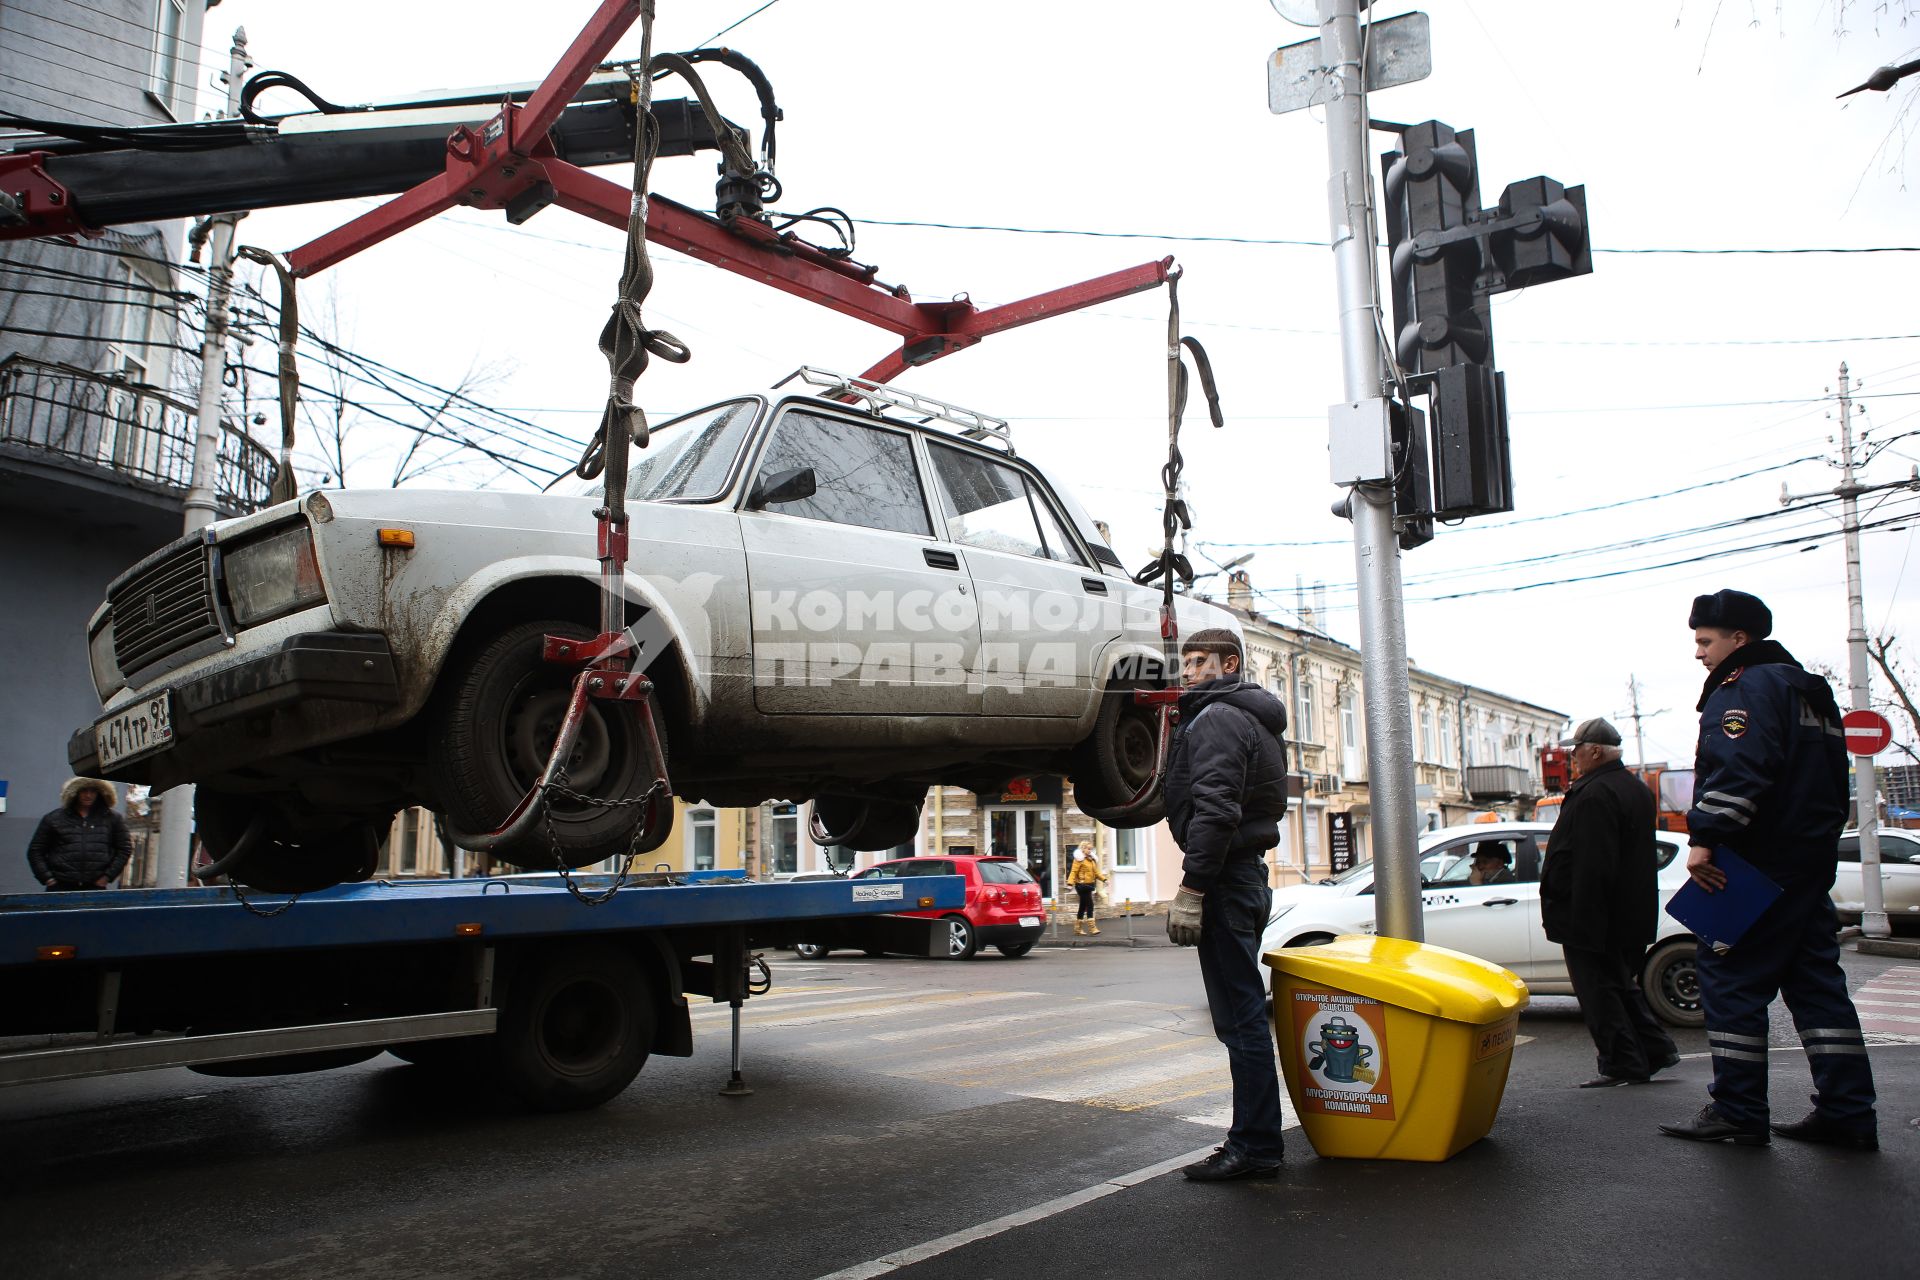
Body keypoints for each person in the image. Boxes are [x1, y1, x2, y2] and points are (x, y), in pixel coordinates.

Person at [1658, 589, 1878, 1149]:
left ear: (1739, 639)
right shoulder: (1810, 691)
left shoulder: (1748, 687)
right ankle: (1847, 1113)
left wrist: (1706, 837)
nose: (1700, 653)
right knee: (1818, 989)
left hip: (1755, 865)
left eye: (1706, 641)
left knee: (1729, 980)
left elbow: (1739, 770)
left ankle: (1737, 1111)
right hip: (1805, 865)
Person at [1162, 627, 1291, 1181]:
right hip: (1244, 876)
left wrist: (1192, 887)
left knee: (1240, 1023)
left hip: (1225, 880)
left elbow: (1216, 811)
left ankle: (1256, 1148)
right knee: (1243, 1021)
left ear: (1228, 663)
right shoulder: (1255, 718)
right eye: (1185, 662)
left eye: (1198, 662)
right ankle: (1255, 1140)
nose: (1187, 672)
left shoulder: (1217, 717)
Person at [1540, 717, 1679, 1088]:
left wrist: (1584, 924)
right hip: (1621, 915)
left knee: (1599, 993)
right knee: (1619, 986)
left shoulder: (1595, 793)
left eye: (1577, 751)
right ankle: (1655, 1050)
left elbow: (1592, 864)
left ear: (1596, 751)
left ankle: (1622, 1062)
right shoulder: (1628, 787)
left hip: (1594, 919)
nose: (1572, 758)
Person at [26, 777, 133, 891]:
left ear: (100, 793)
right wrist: (48, 879)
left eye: (93, 791)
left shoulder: (112, 818)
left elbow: (124, 849)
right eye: (84, 791)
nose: (88, 795)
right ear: (75, 792)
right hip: (60, 887)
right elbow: (35, 850)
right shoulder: (54, 819)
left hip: (95, 887)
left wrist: (106, 877)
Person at [1066, 843, 1106, 935]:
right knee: (1090, 905)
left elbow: (1096, 873)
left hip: (1089, 885)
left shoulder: (1091, 860)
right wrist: (1070, 883)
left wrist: (1104, 880)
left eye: (1091, 849)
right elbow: (1073, 871)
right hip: (1081, 885)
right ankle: (1092, 928)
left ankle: (1078, 929)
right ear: (1083, 849)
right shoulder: (1079, 859)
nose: (1090, 851)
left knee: (1083, 906)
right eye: (1088, 849)